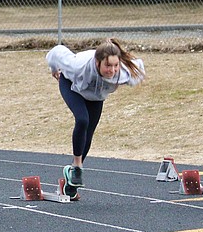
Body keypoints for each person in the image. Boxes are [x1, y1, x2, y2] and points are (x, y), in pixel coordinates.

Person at [46, 38, 145, 195]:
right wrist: (53, 69)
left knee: (89, 132)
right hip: (72, 87)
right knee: (82, 120)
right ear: (97, 62)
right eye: (107, 66)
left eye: (115, 65)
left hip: (96, 97)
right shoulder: (78, 64)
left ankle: (72, 178)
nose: (112, 70)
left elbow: (139, 69)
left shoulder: (124, 73)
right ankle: (77, 166)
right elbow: (56, 52)